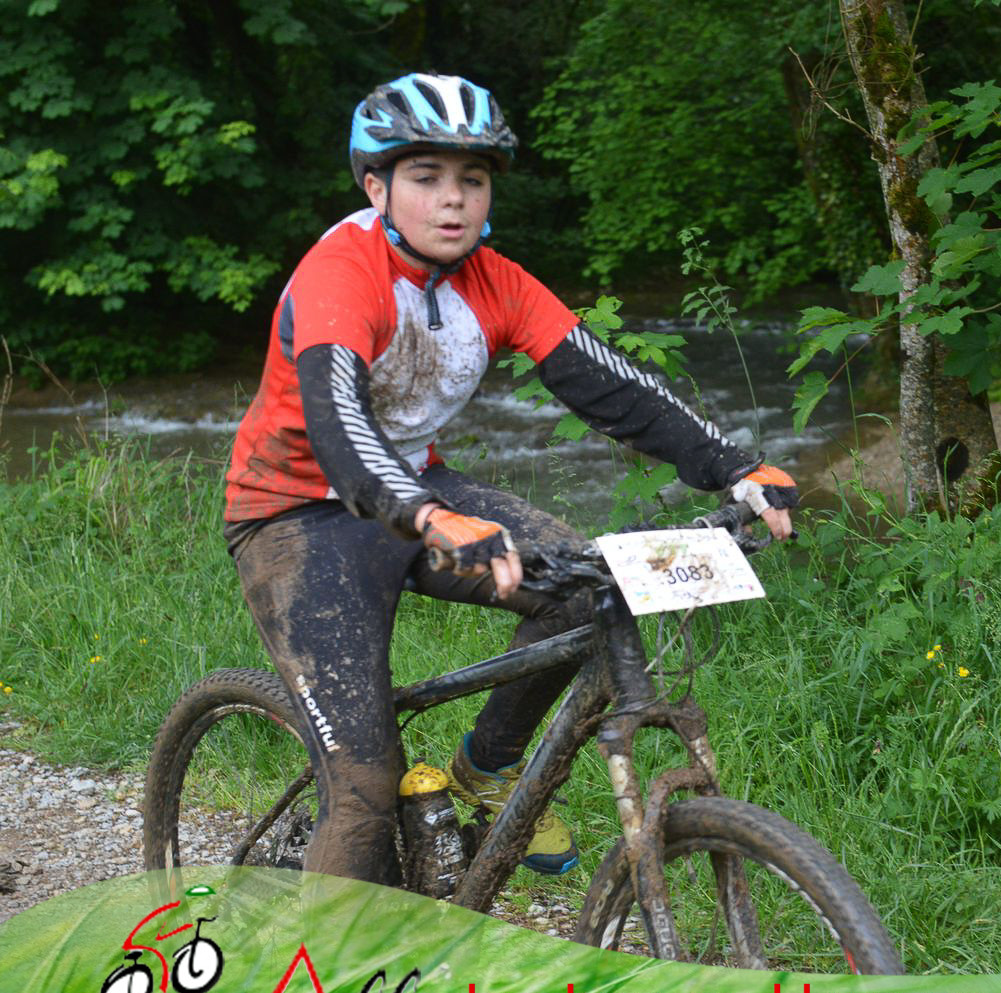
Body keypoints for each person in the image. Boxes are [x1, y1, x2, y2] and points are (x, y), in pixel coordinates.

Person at [222, 72, 798, 886]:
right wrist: (427, 515)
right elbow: (338, 424)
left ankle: (487, 767)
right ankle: (318, 967)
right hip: (295, 516)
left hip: (418, 491)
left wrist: (736, 468)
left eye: (473, 178)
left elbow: (612, 384)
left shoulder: (495, 281)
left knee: (585, 585)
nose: (452, 199)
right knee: (364, 791)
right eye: (426, 177)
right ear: (376, 187)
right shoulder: (341, 273)